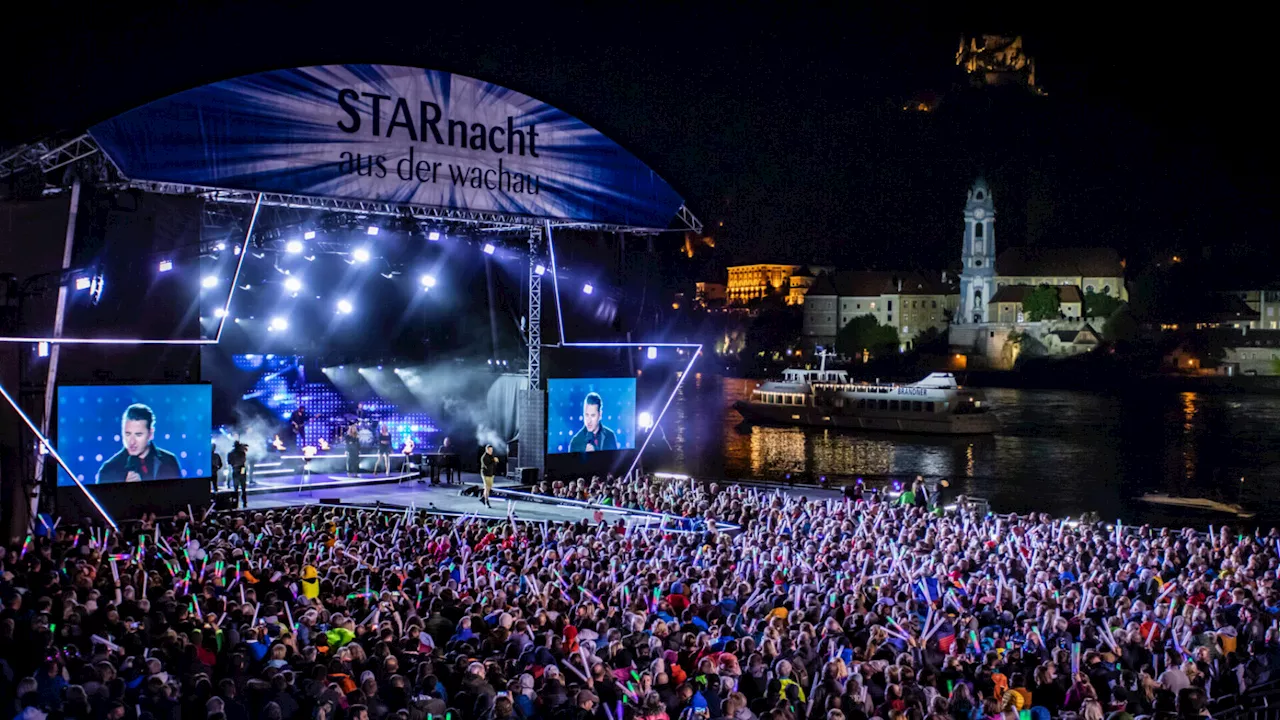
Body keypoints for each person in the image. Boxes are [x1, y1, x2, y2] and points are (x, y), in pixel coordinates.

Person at [95, 403, 182, 483]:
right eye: (127, 434)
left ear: (151, 434)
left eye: (138, 434)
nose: (132, 442)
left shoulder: (169, 461)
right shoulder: (108, 470)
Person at [227, 440, 248, 508]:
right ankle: (244, 501)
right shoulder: (242, 452)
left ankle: (235, 502)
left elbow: (229, 462)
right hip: (242, 468)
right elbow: (244, 460)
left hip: (235, 469)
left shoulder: (230, 453)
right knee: (243, 486)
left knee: (236, 488)